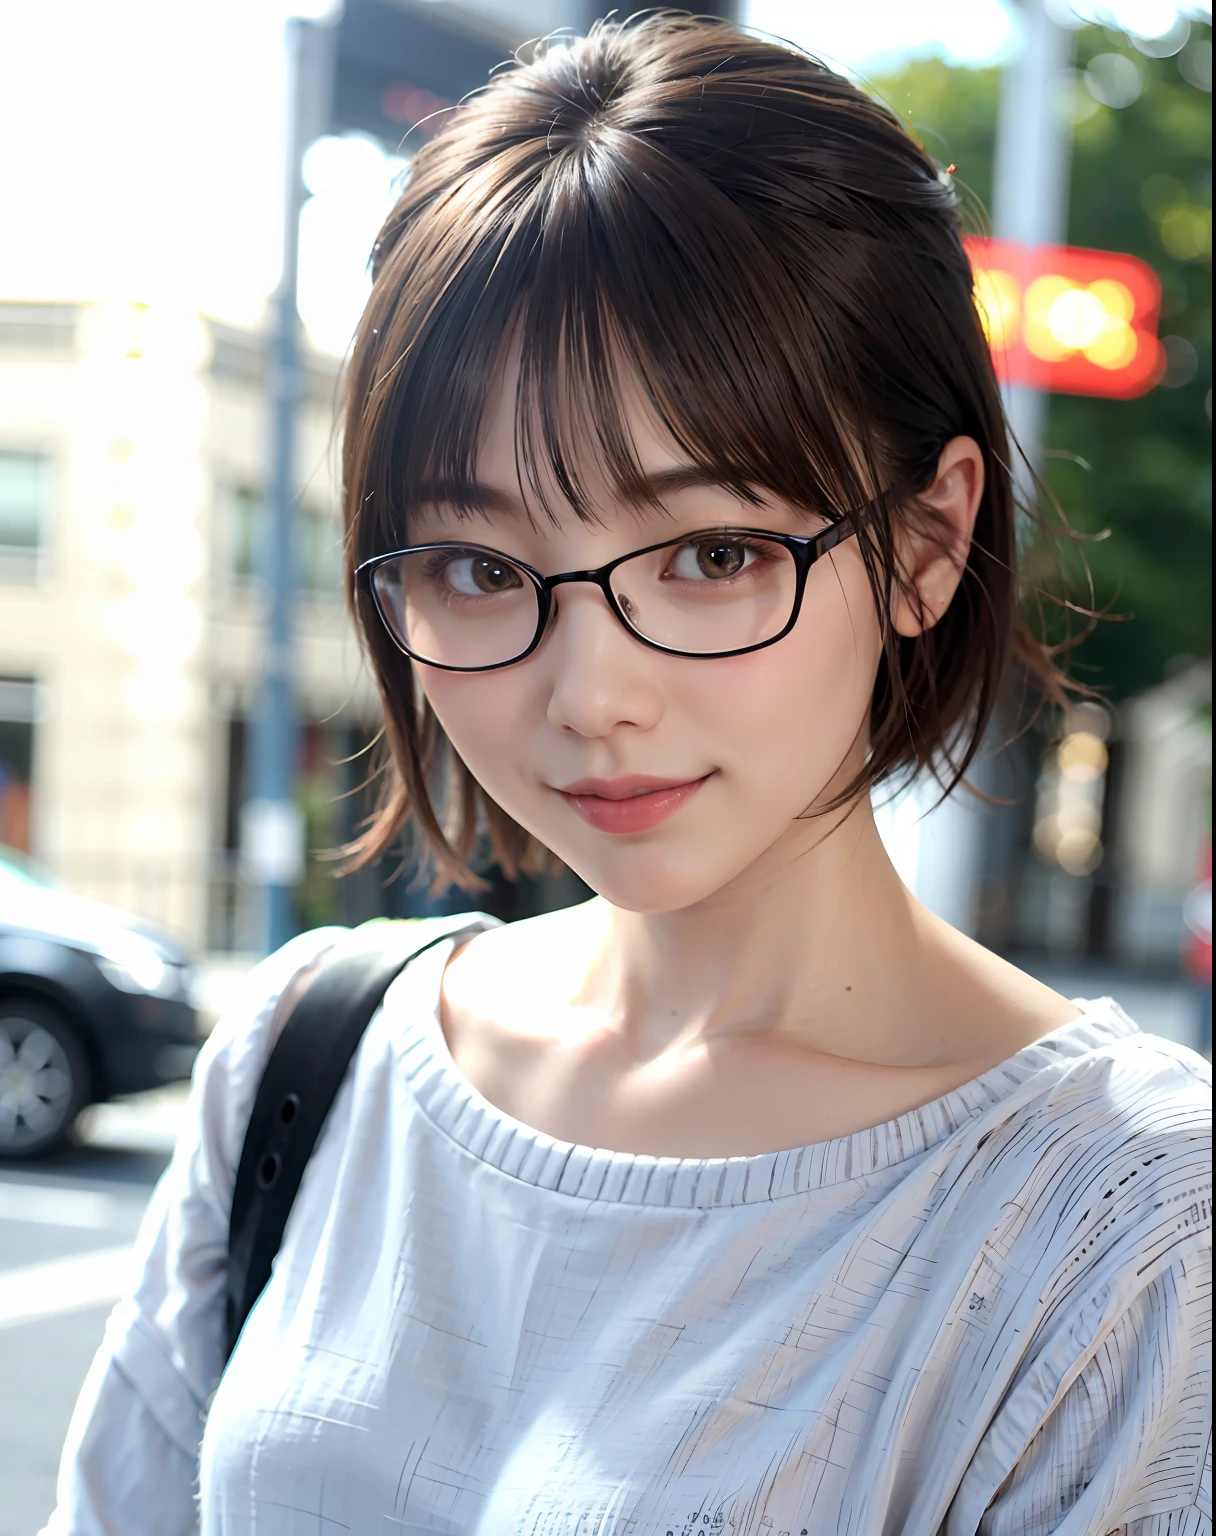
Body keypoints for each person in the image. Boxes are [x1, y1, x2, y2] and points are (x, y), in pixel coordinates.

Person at [46, 16, 1211, 1535]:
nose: (591, 696)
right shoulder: (303, 1056)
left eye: (714, 555)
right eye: (475, 564)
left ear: (927, 543)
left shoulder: (1127, 1237)